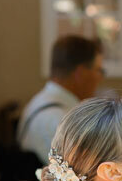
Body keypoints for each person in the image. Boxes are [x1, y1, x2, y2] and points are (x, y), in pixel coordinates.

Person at [18, 35, 104, 167]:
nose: (100, 78)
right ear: (80, 74)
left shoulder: (43, 102)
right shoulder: (56, 120)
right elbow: (80, 176)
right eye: (98, 70)